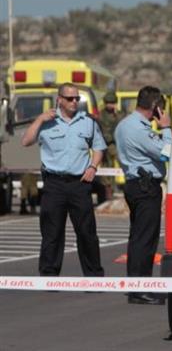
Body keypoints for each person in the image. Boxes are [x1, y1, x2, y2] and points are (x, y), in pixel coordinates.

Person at [21, 82, 105, 277]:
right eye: (70, 98)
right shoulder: (46, 122)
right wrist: (40, 119)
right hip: (54, 184)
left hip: (80, 184)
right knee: (52, 234)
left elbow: (99, 147)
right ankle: (49, 276)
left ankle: (94, 277)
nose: (75, 101)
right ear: (59, 100)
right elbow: (26, 141)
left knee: (87, 233)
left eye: (77, 98)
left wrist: (93, 166)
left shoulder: (88, 122)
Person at [115, 86, 171, 305]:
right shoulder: (139, 129)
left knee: (138, 238)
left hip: (135, 184)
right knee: (145, 240)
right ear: (155, 107)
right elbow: (166, 152)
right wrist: (165, 128)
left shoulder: (124, 124)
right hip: (145, 187)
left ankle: (136, 286)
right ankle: (140, 289)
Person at [98, 91, 125, 200]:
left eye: (112, 102)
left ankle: (119, 188)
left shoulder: (119, 114)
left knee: (122, 163)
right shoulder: (101, 115)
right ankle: (108, 192)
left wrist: (116, 114)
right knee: (106, 168)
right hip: (105, 144)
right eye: (109, 102)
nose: (110, 105)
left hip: (117, 143)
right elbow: (101, 129)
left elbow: (122, 125)